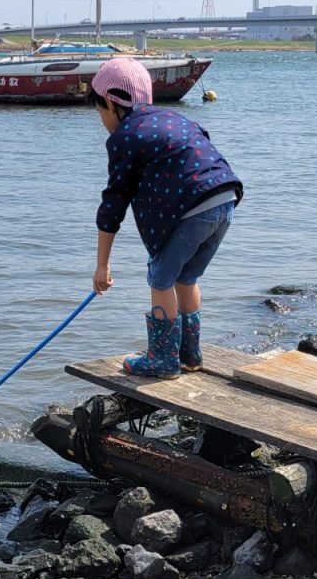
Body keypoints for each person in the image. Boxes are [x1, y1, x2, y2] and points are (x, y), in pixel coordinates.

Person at [89, 58, 243, 379]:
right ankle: (190, 355)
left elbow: (114, 203)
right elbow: (198, 146)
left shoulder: (125, 136)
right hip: (225, 196)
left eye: (100, 110)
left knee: (160, 279)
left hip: (194, 207)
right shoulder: (174, 118)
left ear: (112, 102)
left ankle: (162, 359)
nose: (102, 119)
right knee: (186, 279)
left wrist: (102, 266)